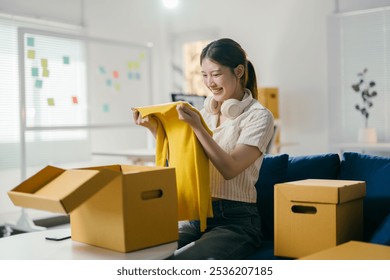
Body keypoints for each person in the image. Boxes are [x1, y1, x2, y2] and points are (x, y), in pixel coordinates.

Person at [133, 38, 274, 259]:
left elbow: (230, 168)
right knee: (144, 251)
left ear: (238, 71)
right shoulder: (206, 113)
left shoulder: (259, 116)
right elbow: (182, 160)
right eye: (204, 75)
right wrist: (155, 130)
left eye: (216, 74)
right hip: (197, 216)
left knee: (188, 262)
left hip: (236, 221)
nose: (210, 82)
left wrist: (198, 127)